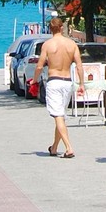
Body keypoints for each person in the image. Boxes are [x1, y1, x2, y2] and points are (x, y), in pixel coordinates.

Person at [37, 16, 83, 158]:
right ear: (62, 28)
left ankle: (69, 147)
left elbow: (39, 65)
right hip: (67, 81)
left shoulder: (48, 45)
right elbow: (79, 66)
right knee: (60, 116)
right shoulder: (71, 44)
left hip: (54, 81)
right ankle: (54, 147)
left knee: (58, 116)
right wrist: (81, 83)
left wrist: (34, 79)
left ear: (50, 29)